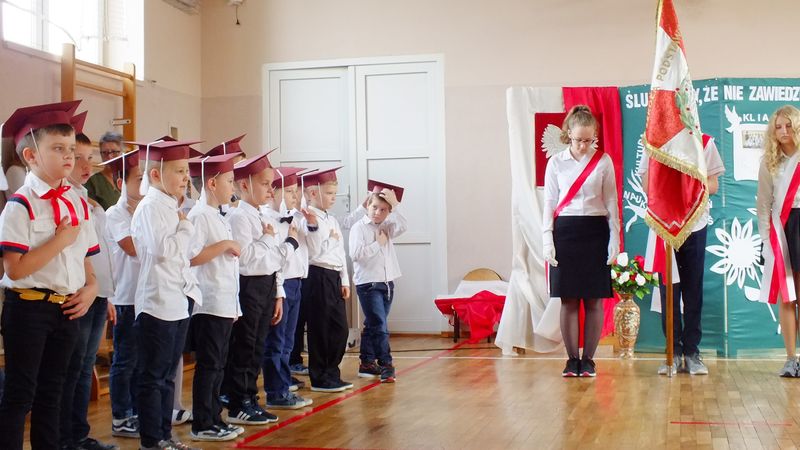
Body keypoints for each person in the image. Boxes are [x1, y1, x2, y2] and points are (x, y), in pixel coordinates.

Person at [0, 100, 100, 449]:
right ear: (30, 156)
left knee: (53, 393)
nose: (69, 156)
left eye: (71, 148)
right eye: (58, 148)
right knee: (20, 394)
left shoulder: (77, 201)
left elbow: (86, 260)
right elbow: (14, 269)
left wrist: (91, 288)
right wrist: (60, 240)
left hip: (67, 308)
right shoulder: (20, 204)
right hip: (29, 308)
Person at [130, 139, 202, 450]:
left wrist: (184, 231)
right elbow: (163, 251)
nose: (186, 177)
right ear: (157, 174)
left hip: (178, 298)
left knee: (168, 375)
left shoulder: (172, 205)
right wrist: (185, 230)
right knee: (154, 376)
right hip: (157, 302)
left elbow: (187, 253)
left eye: (186, 170)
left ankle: (165, 435)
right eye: (179, 171)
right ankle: (152, 439)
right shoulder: (150, 207)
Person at [542, 105, 619, 378]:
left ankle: (589, 360)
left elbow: (611, 201)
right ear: (568, 135)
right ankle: (572, 359)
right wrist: (547, 239)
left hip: (595, 231)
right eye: (578, 140)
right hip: (565, 231)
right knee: (569, 300)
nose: (584, 146)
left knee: (594, 300)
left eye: (589, 140)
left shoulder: (603, 161)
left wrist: (614, 238)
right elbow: (549, 203)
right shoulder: (556, 163)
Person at [640, 133, 725, 375]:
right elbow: (646, 184)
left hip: (695, 224)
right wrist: (668, 184)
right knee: (669, 290)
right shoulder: (653, 142)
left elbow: (714, 184)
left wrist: (687, 184)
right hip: (666, 224)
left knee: (692, 290)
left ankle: (692, 352)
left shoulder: (705, 142)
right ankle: (673, 352)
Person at [223, 151, 297, 424]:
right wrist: (271, 243)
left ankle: (251, 398)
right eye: (265, 184)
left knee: (257, 346)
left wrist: (278, 292)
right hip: (249, 285)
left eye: (271, 184)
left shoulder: (260, 216)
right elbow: (247, 258)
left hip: (266, 284)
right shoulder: (239, 217)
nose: (270, 189)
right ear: (244, 185)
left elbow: (273, 259)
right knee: (245, 345)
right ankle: (238, 403)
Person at [60, 113, 119, 450]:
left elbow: (99, 253)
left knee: (84, 366)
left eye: (89, 158)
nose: (86, 165)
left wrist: (106, 294)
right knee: (73, 367)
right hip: (79, 293)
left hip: (98, 293)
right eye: (77, 157)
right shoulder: (68, 198)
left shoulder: (87, 198)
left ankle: (78, 434)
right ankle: (66, 436)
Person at [186, 153, 245, 441]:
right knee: (209, 365)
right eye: (230, 181)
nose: (233, 187)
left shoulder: (216, 214)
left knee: (219, 364)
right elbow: (191, 257)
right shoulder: (199, 216)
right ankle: (202, 422)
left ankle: (214, 418)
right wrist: (224, 245)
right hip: (208, 302)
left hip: (223, 301)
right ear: (212, 183)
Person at [261, 167, 313, 409]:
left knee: (288, 341)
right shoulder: (267, 220)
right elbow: (276, 261)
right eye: (290, 191)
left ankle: (284, 385)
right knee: (276, 341)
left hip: (296, 282)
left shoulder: (294, 218)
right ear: (274, 193)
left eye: (296, 191)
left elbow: (311, 240)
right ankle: (276, 391)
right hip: (280, 285)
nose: (295, 196)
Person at [103, 147, 144, 438]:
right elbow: (132, 248)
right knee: (125, 360)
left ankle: (138, 412)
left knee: (142, 361)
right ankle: (121, 415)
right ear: (121, 183)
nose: (145, 185)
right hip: (125, 296)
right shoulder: (115, 214)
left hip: (146, 296)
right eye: (139, 179)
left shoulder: (146, 211)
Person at [756, 105, 800, 377]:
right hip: (783, 230)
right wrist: (765, 240)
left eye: (788, 125)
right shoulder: (769, 162)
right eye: (778, 127)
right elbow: (763, 204)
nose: (783, 131)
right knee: (787, 296)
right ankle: (791, 359)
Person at [300, 167, 353, 392]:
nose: (333, 198)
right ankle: (320, 377)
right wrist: (329, 240)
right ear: (313, 193)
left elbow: (340, 251)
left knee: (339, 329)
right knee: (320, 328)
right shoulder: (307, 218)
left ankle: (332, 372)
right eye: (329, 193)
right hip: (317, 275)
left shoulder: (331, 219)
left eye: (334, 193)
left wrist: (345, 280)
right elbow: (315, 252)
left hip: (333, 276)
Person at [350, 180, 407, 383]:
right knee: (380, 326)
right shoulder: (358, 228)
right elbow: (356, 255)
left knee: (373, 325)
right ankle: (386, 365)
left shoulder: (387, 226)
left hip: (387, 283)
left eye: (383, 210)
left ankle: (366, 363)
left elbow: (403, 226)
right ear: (368, 205)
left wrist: (396, 206)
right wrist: (378, 244)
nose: (377, 212)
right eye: (374, 207)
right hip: (368, 284)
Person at [86, 131, 123, 209]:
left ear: (122, 153)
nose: (109, 156)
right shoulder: (93, 183)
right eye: (105, 153)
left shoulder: (130, 179)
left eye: (114, 152)